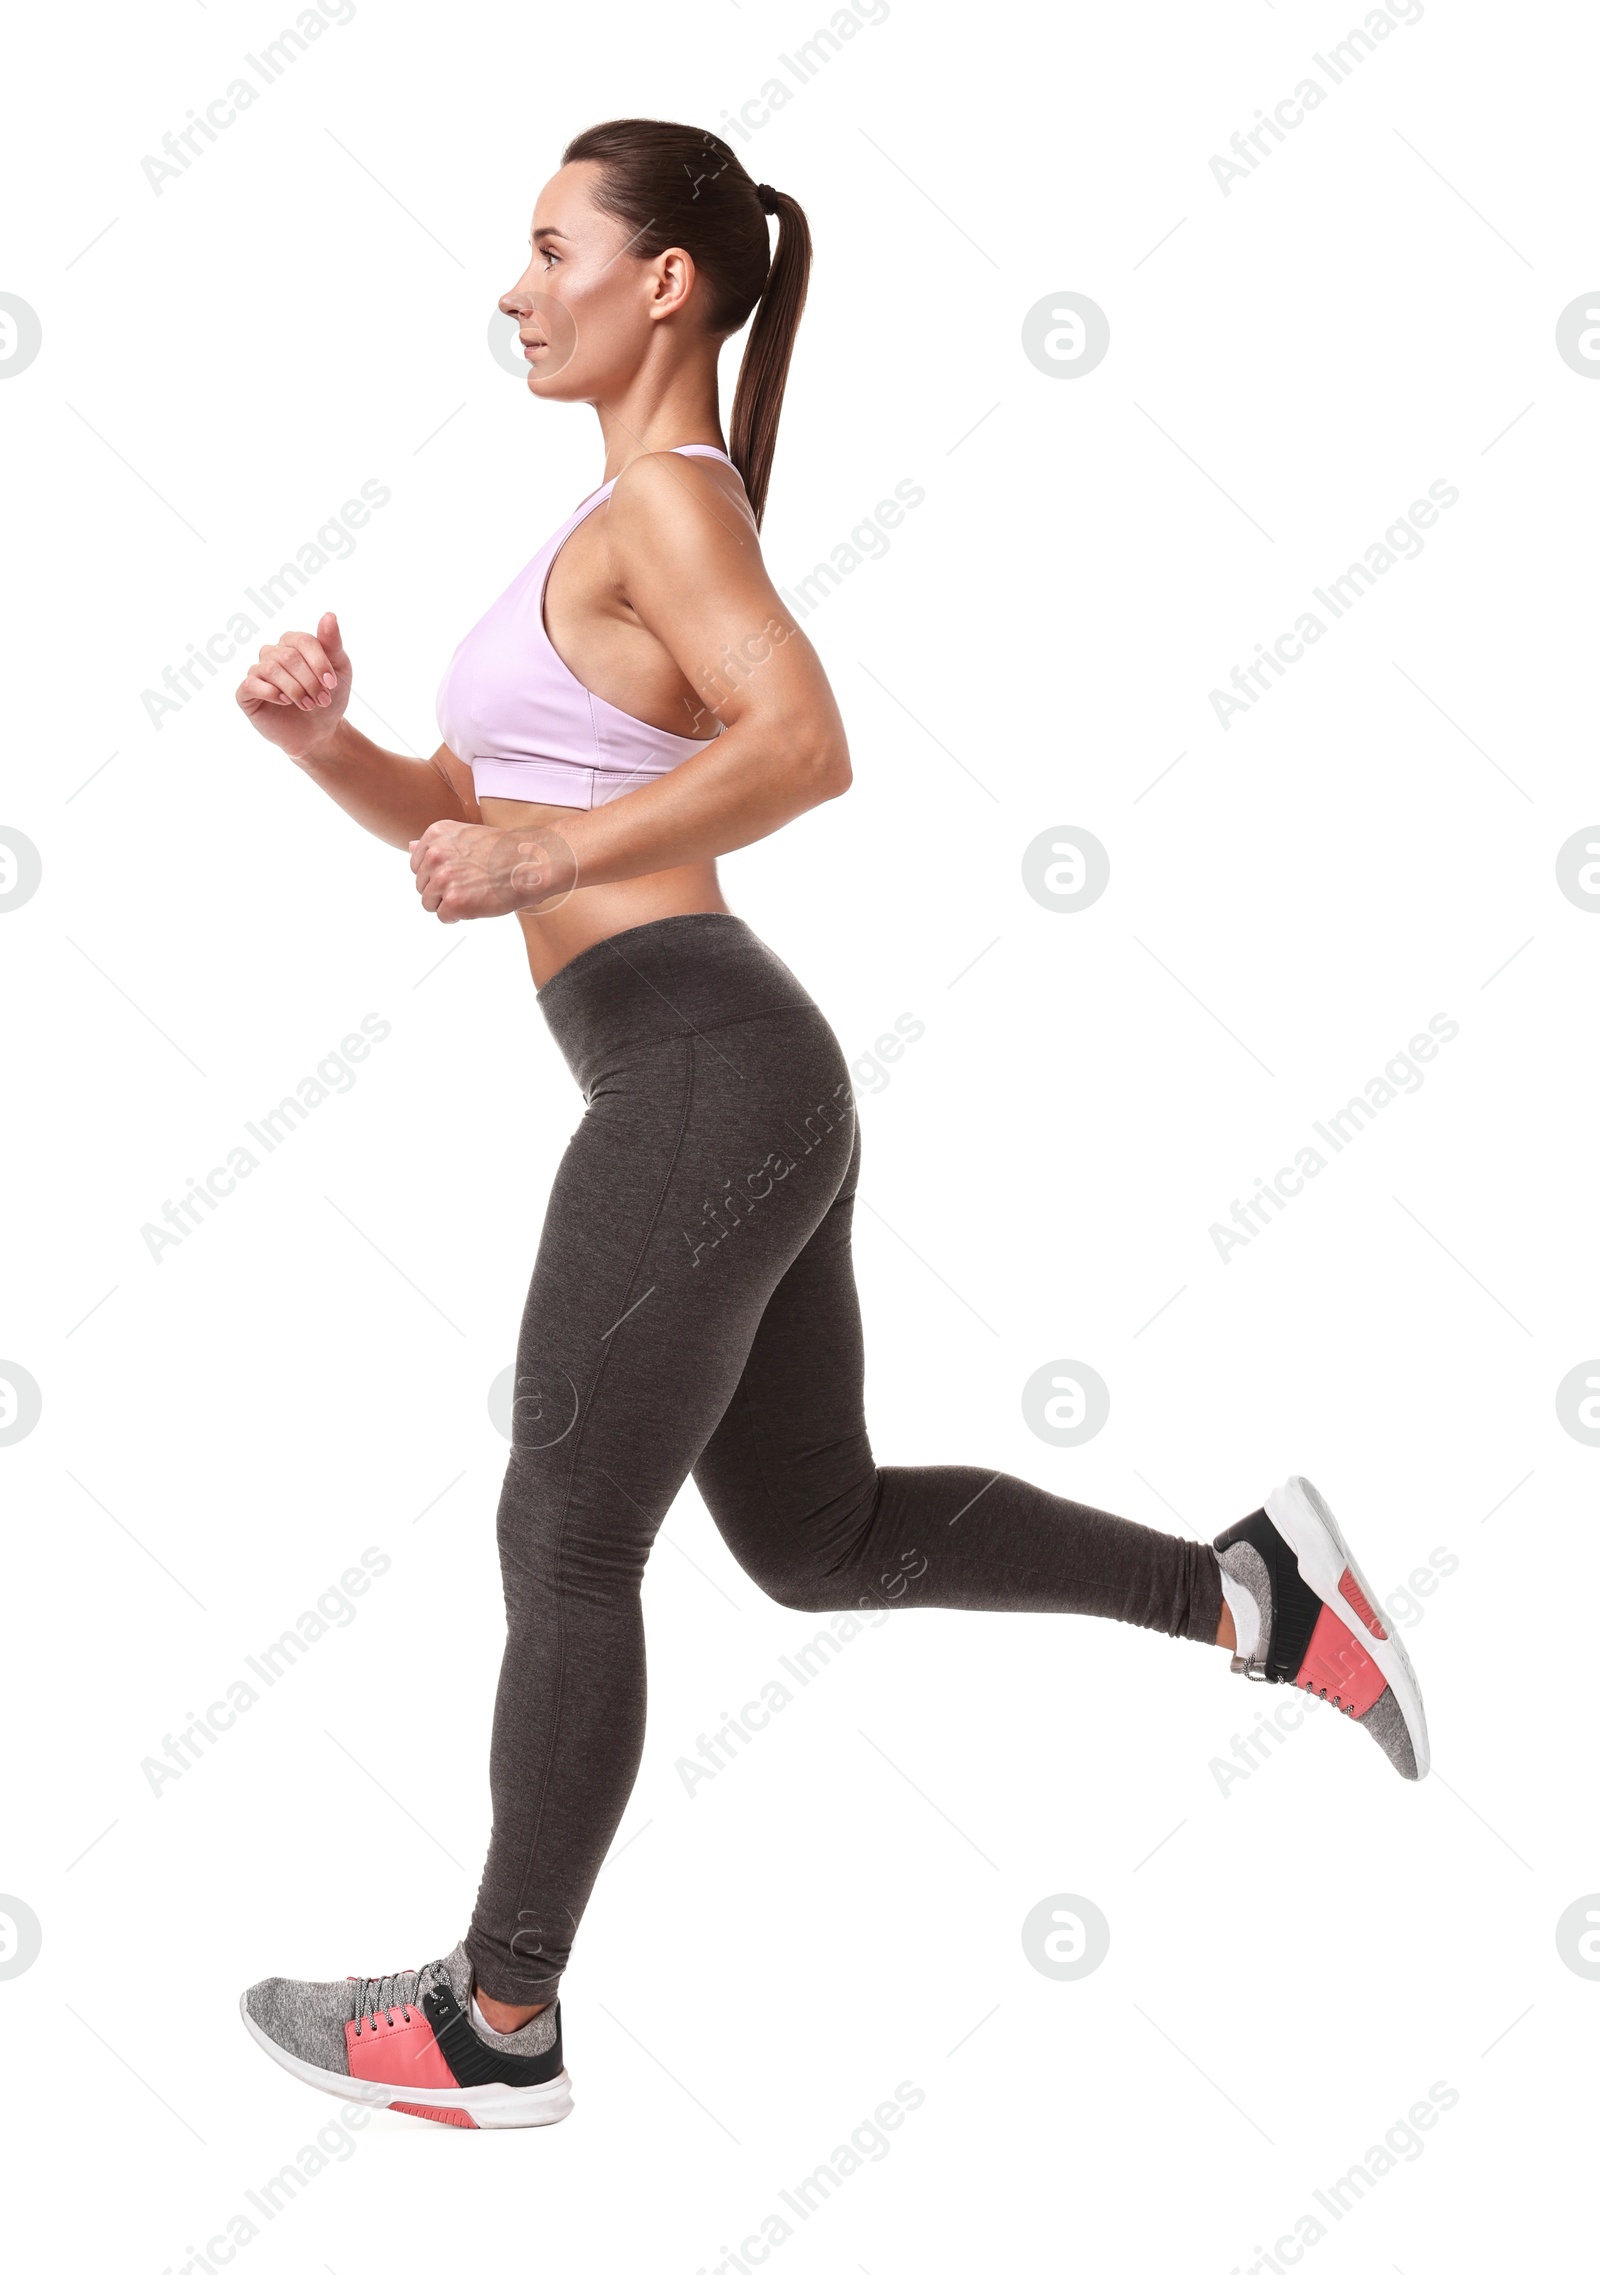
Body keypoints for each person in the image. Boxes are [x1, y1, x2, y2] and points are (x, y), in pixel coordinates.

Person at [234, 118, 1429, 2132]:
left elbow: (804, 746)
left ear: (662, 282)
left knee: (564, 1520)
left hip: (700, 1066)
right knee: (817, 1530)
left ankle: (493, 2014)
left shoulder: (672, 503)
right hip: (725, 1073)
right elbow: (471, 811)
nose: (514, 289)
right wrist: (333, 748)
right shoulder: (606, 523)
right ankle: (1249, 1593)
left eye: (547, 249)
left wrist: (541, 843)